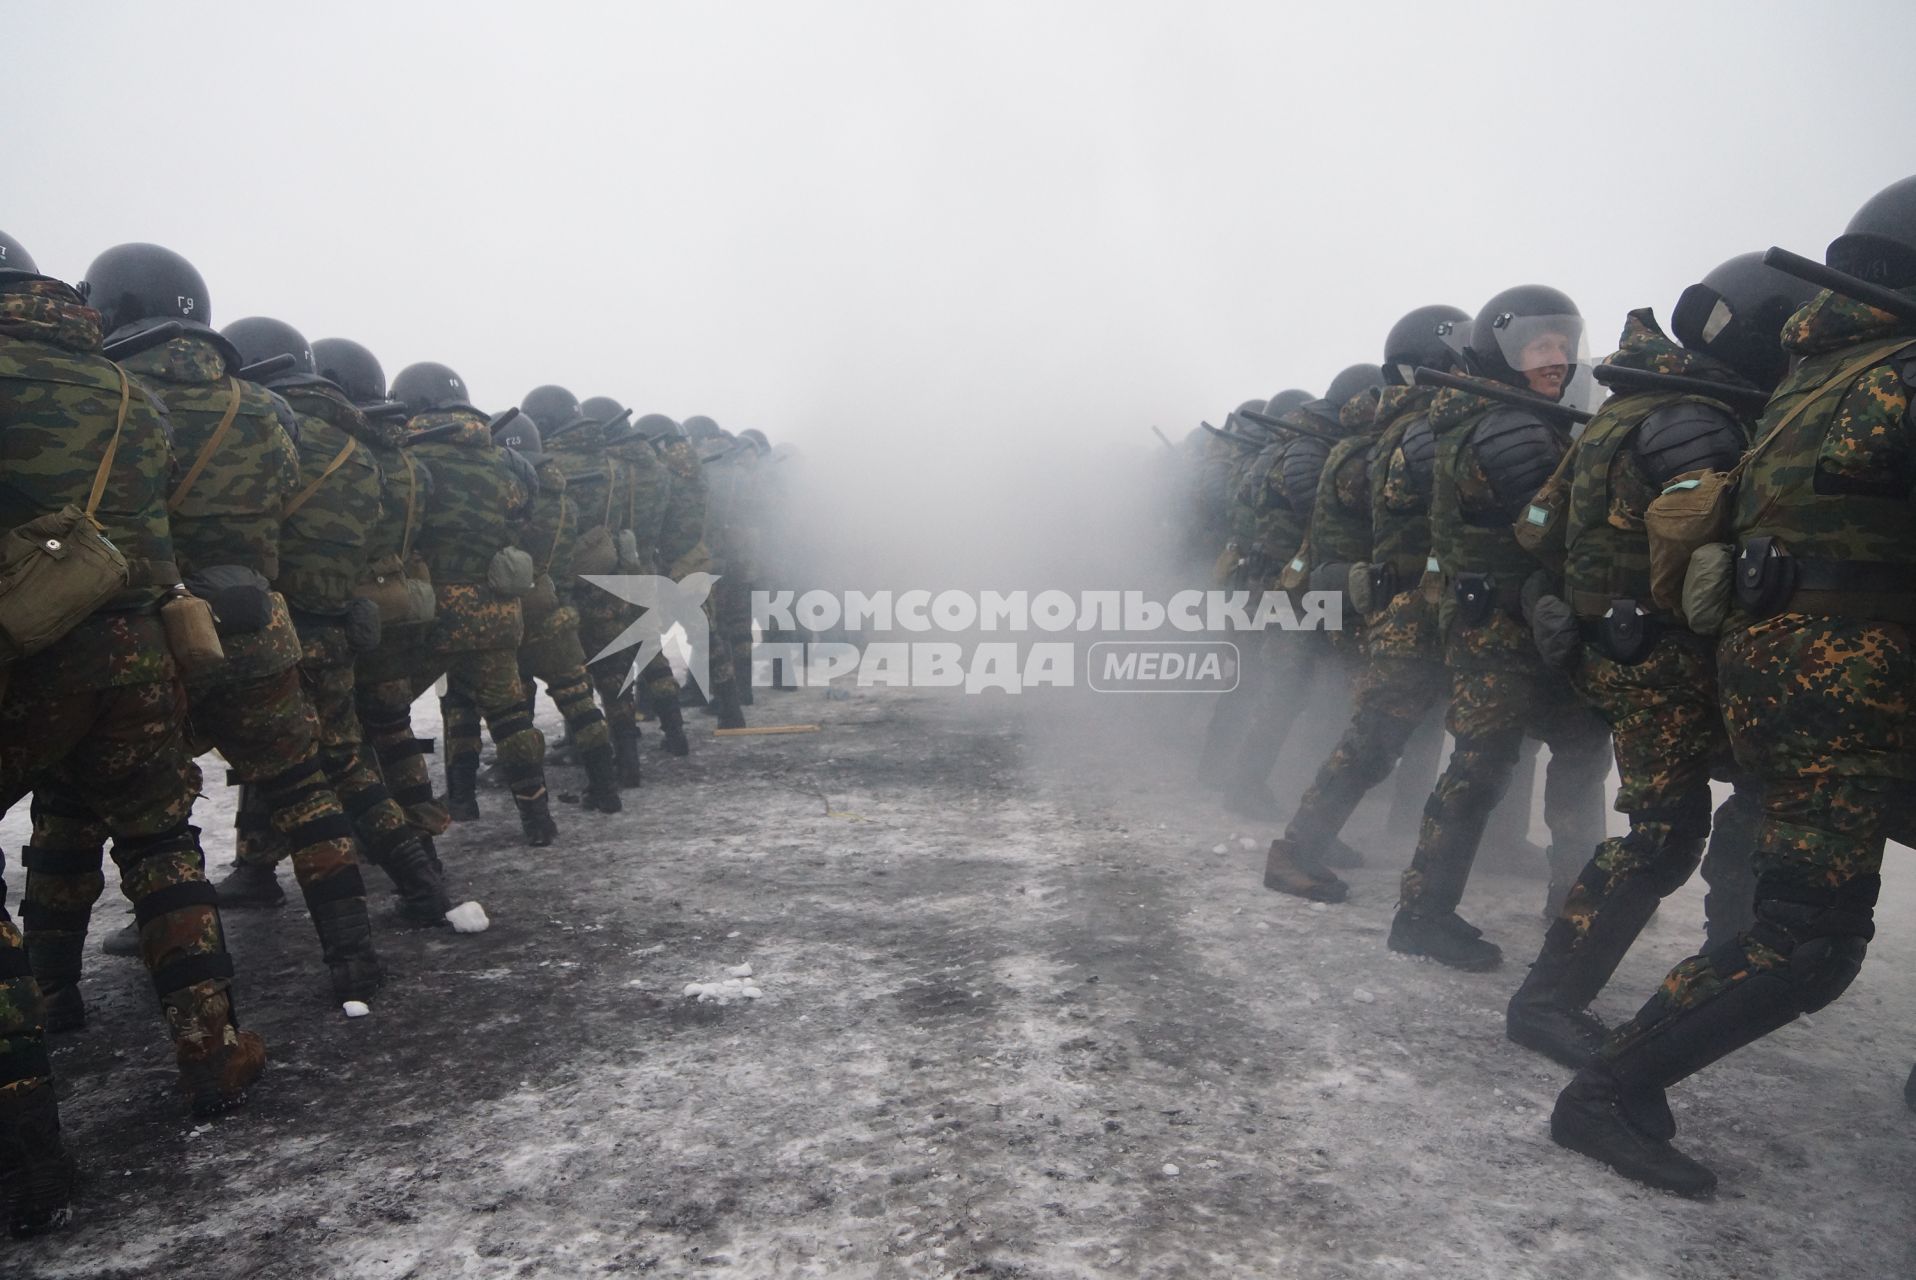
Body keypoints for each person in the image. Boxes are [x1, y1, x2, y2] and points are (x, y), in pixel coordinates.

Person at [1553, 176, 1916, 1197]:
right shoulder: (1896, 373)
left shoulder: (1816, 374)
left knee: (1779, 906)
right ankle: (1606, 1085)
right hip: (1844, 681)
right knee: (1808, 936)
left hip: (1793, 676)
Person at [1504, 255, 1810, 1067]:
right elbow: (1698, 577)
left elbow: (1537, 528)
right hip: (1662, 659)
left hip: (1618, 649)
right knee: (1662, 836)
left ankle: (1725, 963)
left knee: (1693, 821)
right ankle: (1547, 1002)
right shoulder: (1697, 422)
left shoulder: (1628, 406)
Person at [1, 237, 263, 1138]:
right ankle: (214, 1049)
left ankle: (27, 1116)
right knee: (159, 843)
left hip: (21, 657)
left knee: (63, 832)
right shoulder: (125, 392)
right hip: (137, 651)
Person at [1388, 285, 1611, 970]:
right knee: (1484, 768)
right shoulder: (1510, 426)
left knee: (1568, 751)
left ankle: (1575, 902)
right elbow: (1555, 529)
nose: (1557, 356)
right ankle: (1424, 915)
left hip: (1514, 621)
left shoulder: (1495, 413)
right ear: (1502, 349)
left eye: (1563, 342)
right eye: (1539, 344)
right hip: (1504, 629)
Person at [1262, 309, 1467, 899]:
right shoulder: (1405, 438)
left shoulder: (1385, 434)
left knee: (1382, 737)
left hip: (1398, 605)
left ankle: (1311, 842)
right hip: (1400, 608)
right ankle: (1297, 848)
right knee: (1372, 737)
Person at [391, 361, 557, 845]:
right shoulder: (506, 462)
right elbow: (527, 516)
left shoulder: (409, 458)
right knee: (511, 717)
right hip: (496, 611)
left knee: (388, 717)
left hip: (426, 615)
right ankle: (538, 818)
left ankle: (418, 824)